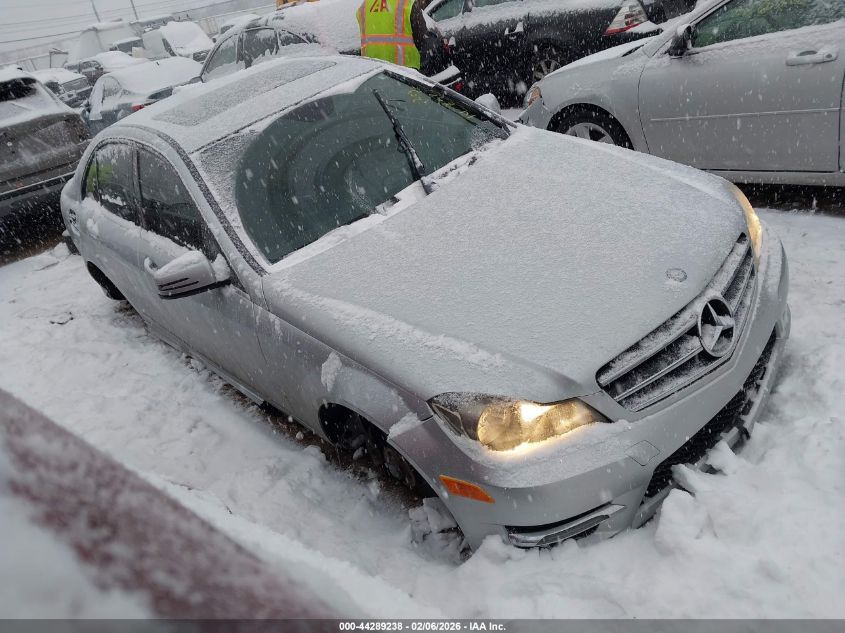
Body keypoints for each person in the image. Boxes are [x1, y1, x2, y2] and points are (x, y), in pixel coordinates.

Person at [357, 0, 437, 71]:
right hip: (404, 70)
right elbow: (421, 38)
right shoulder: (407, 3)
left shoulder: (364, 5)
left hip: (373, 70)